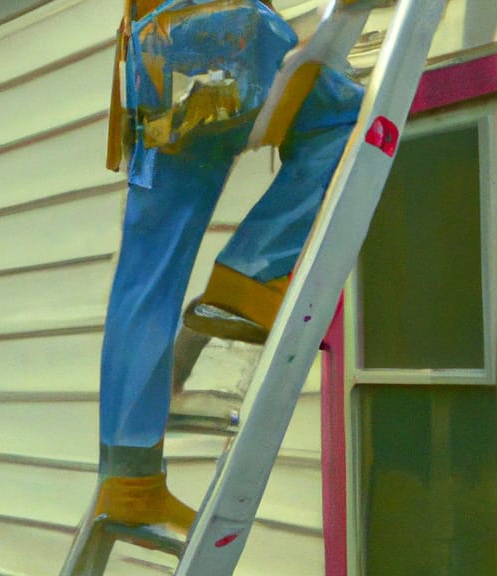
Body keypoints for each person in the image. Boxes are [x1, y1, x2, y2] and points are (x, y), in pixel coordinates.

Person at [94, 0, 365, 535]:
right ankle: (252, 274)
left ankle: (131, 480)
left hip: (150, 52)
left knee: (147, 275)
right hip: (228, 34)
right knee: (345, 117)